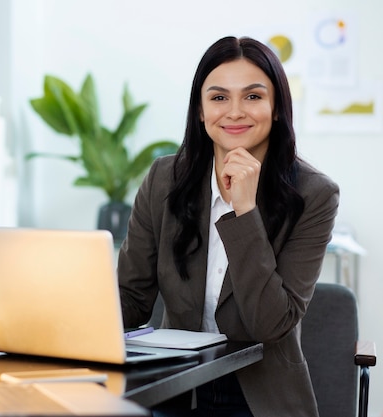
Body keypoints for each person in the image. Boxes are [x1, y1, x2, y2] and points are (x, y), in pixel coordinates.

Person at [117, 36, 339, 417]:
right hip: (176, 386)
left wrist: (244, 211)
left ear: (277, 109)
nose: (235, 111)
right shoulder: (164, 179)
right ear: (201, 111)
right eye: (219, 98)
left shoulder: (314, 194)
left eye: (253, 96)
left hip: (260, 395)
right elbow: (131, 300)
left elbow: (271, 324)